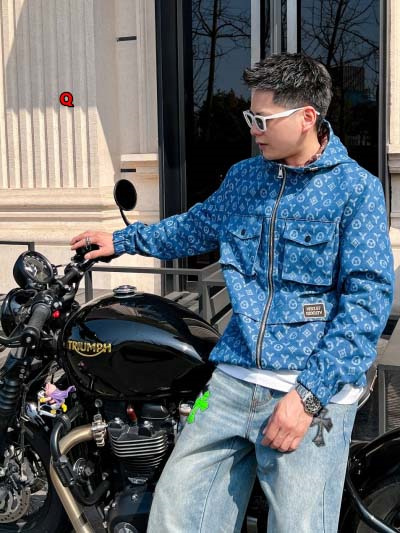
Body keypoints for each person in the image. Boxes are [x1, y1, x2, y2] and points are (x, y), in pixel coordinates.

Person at [71, 53, 394, 533]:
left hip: (311, 392)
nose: (254, 130)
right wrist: (122, 240)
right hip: (229, 382)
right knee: (176, 509)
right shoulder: (245, 177)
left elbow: (366, 303)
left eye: (263, 120)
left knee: (300, 526)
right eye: (250, 118)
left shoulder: (356, 190)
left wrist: (308, 397)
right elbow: (196, 226)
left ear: (307, 117)